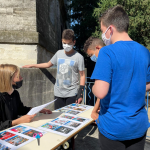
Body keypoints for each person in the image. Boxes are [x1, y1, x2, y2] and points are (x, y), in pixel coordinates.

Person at [90, 5, 150, 150]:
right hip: (138, 126)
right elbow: (147, 85)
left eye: (103, 31)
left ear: (110, 29)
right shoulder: (144, 51)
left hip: (113, 127)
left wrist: (93, 87)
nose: (103, 36)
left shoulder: (107, 52)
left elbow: (100, 92)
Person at [23, 29, 85, 109]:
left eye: (69, 43)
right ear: (62, 41)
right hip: (58, 93)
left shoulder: (79, 57)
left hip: (72, 93)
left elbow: (82, 75)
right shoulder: (58, 53)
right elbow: (48, 64)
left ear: (74, 42)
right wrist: (32, 65)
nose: (66, 45)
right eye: (64, 43)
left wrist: (80, 93)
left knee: (70, 118)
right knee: (58, 118)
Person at [0, 64, 52, 131]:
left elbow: (20, 109)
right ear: (8, 80)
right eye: (18, 76)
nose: (22, 78)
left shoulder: (15, 93)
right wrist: (17, 121)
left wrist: (36, 109)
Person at [84, 37, 105, 120]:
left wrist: (94, 110)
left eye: (91, 55)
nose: (91, 58)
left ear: (97, 48)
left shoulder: (102, 63)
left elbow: (100, 92)